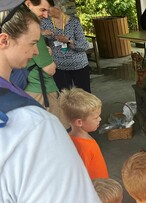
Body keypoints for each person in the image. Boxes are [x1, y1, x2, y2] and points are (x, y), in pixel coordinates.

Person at [0, 1, 100, 202]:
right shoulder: (36, 125)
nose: (36, 51)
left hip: (75, 66)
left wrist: (68, 42)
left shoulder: (73, 24)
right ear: (4, 40)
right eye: (31, 43)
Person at [23, 0, 69, 128]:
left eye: (48, 11)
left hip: (28, 87)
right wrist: (50, 58)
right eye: (42, 10)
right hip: (41, 90)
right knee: (58, 129)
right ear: (28, 4)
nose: (46, 15)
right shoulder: (31, 29)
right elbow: (50, 69)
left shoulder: (17, 27)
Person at [59, 87, 109, 179]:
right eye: (96, 117)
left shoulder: (68, 138)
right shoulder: (84, 148)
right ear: (79, 122)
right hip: (97, 189)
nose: (100, 119)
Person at [41, 0, 91, 92]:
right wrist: (42, 33)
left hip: (78, 65)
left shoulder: (74, 22)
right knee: (64, 97)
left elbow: (84, 46)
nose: (46, 13)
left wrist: (68, 41)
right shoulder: (45, 22)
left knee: (84, 96)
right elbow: (35, 39)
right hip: (59, 66)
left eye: (48, 10)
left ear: (58, 8)